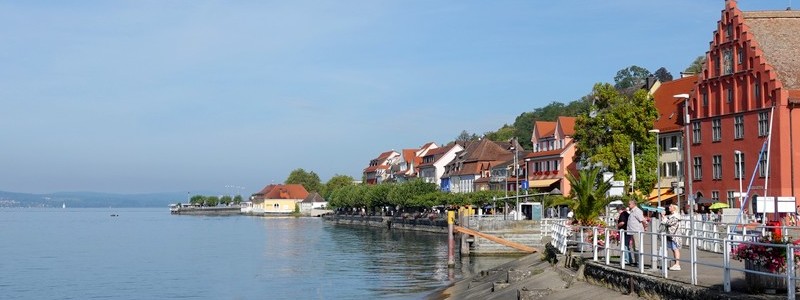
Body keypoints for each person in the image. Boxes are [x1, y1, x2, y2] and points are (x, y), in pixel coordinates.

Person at [661, 204, 682, 271]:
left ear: (674, 208)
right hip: (671, 235)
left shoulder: (676, 216)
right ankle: (676, 263)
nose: (669, 207)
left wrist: (663, 216)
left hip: (675, 235)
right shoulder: (672, 216)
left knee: (675, 249)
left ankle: (677, 264)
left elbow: (669, 223)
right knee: (673, 249)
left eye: (670, 206)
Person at [626, 199, 648, 266]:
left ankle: (639, 262)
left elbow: (643, 220)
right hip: (632, 231)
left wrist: (645, 227)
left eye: (629, 204)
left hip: (637, 231)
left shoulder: (637, 211)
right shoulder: (632, 211)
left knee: (637, 247)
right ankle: (636, 261)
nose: (628, 205)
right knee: (634, 247)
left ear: (633, 204)